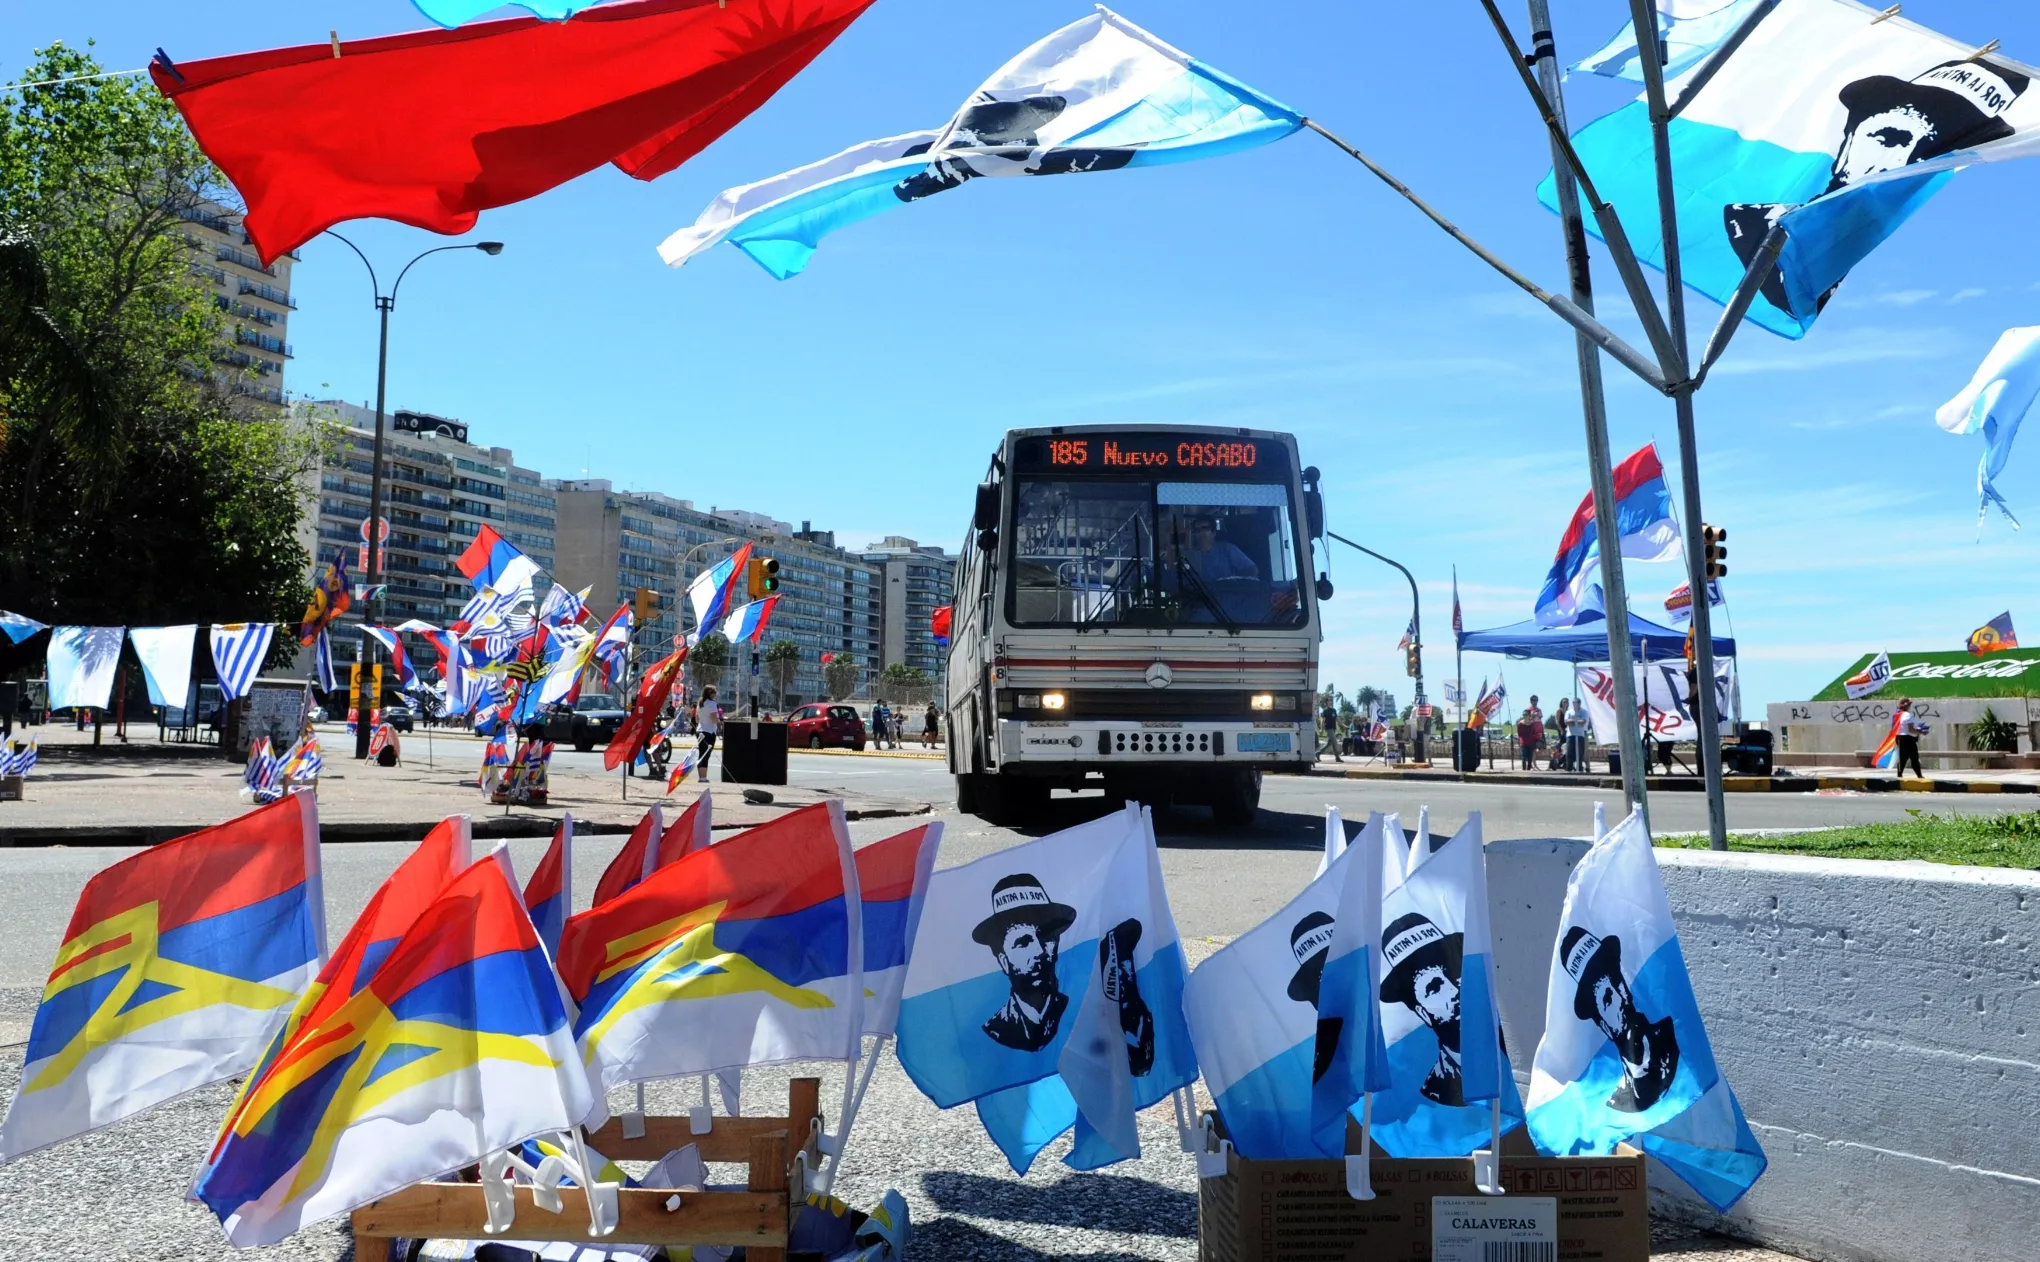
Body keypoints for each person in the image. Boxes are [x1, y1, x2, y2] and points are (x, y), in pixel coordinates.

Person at [1559, 927, 1680, 1113]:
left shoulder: (1673, 1038)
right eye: (1607, 998)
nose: (1622, 997)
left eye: (1617, 981)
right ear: (1601, 1023)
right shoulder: (1616, 1099)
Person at [973, 873, 1076, 1052]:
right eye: (1023, 943)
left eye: (1047, 937)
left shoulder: (1077, 1012)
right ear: (1004, 962)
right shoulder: (996, 1029)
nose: (1039, 951)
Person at [1379, 912, 1464, 1106]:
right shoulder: (1438, 1089)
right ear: (1423, 1013)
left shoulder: (1520, 1050)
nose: (1455, 990)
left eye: (1455, 970)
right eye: (1435, 987)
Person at [1182, 514, 1258, 582]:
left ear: (1214, 532)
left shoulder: (1228, 549)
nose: (1201, 533)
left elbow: (1252, 569)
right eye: (1197, 530)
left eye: (1205, 529)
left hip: (1230, 593)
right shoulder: (1190, 556)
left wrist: (1237, 582)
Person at [1895, 697, 1929, 778]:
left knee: (1902, 758)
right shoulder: (1908, 715)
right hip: (1908, 739)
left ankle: (1899, 775)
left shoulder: (1897, 715)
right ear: (1906, 706)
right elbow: (1911, 730)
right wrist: (1921, 732)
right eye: (1909, 705)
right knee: (1914, 757)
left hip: (1899, 737)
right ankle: (1919, 775)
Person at [695, 686, 722, 783]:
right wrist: (720, 721)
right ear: (710, 694)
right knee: (706, 755)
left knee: (701, 754)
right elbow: (714, 719)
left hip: (700, 730)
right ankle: (703, 778)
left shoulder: (700, 703)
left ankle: (701, 776)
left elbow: (697, 719)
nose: (715, 695)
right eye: (714, 693)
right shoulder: (712, 704)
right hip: (709, 731)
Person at [1566, 701, 1590, 774]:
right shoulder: (1569, 712)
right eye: (1574, 702)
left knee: (1580, 752)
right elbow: (1567, 722)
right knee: (1569, 751)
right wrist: (1577, 720)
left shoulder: (1584, 712)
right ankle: (1569, 768)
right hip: (1571, 734)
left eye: (1578, 702)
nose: (1576, 704)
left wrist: (1573, 721)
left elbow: (1583, 722)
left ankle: (1580, 768)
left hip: (1581, 734)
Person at [1319, 696, 1343, 762]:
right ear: (1326, 702)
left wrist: (1343, 725)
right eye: (1329, 700)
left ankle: (1317, 753)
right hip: (1329, 728)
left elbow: (1337, 719)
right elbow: (1322, 720)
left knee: (1329, 743)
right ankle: (1337, 757)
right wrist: (1321, 729)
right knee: (1335, 742)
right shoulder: (1325, 711)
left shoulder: (1334, 710)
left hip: (1333, 728)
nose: (1330, 702)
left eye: (1331, 700)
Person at [1548, 698, 1569, 770]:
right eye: (1563, 702)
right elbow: (1557, 721)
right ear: (1561, 703)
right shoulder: (1559, 710)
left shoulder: (1568, 711)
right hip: (1561, 729)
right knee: (1561, 744)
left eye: (1566, 702)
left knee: (1565, 745)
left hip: (1567, 730)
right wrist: (1561, 730)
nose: (1565, 703)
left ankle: (1560, 760)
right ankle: (1554, 758)